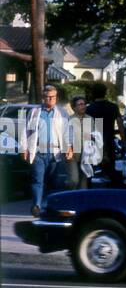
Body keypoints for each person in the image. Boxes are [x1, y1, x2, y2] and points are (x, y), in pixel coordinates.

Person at [24, 84, 72, 215]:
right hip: (38, 152)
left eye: (52, 97)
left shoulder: (62, 113)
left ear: (56, 98)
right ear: (42, 98)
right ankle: (37, 206)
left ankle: (50, 206)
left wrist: (69, 148)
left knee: (54, 182)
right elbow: (26, 131)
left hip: (55, 153)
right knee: (37, 180)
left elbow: (68, 132)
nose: (49, 99)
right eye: (46, 97)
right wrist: (25, 149)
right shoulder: (34, 112)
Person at [85, 82, 123, 186]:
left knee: (89, 172)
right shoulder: (113, 107)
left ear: (92, 94)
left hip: (93, 142)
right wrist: (124, 139)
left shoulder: (89, 109)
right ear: (105, 93)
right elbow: (120, 124)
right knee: (111, 170)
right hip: (108, 141)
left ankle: (88, 194)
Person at [64, 95, 93, 190]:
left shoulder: (90, 119)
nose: (83, 106)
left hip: (86, 154)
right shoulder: (69, 119)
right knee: (74, 180)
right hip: (72, 154)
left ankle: (82, 203)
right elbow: (65, 136)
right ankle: (70, 198)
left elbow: (95, 136)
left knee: (84, 181)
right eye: (80, 104)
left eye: (84, 104)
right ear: (74, 107)